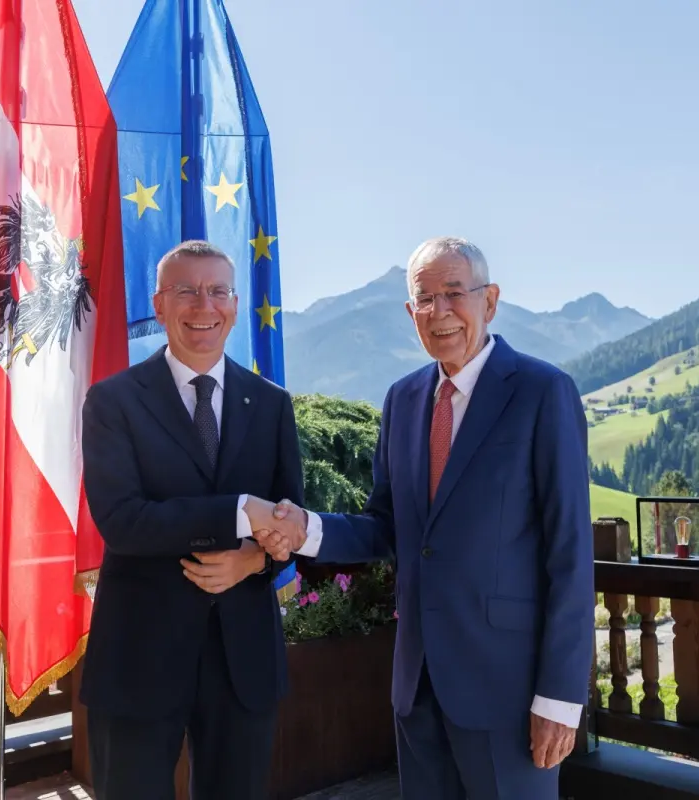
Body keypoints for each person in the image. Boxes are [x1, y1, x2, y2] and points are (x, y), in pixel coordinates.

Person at [256, 236, 594, 799]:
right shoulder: (403, 399)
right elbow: (387, 525)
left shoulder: (543, 392)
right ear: (410, 311)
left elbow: (571, 554)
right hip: (417, 689)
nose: (439, 312)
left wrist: (559, 698)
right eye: (425, 299)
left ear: (490, 301)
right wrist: (305, 530)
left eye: (454, 293)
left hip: (509, 694)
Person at [79, 240, 302, 800]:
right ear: (159, 305)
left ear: (235, 305)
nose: (205, 305)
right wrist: (236, 513)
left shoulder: (272, 404)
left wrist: (254, 560)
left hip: (243, 660)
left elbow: (289, 523)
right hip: (139, 657)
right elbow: (121, 521)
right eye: (186, 291)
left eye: (218, 290)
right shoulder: (112, 402)